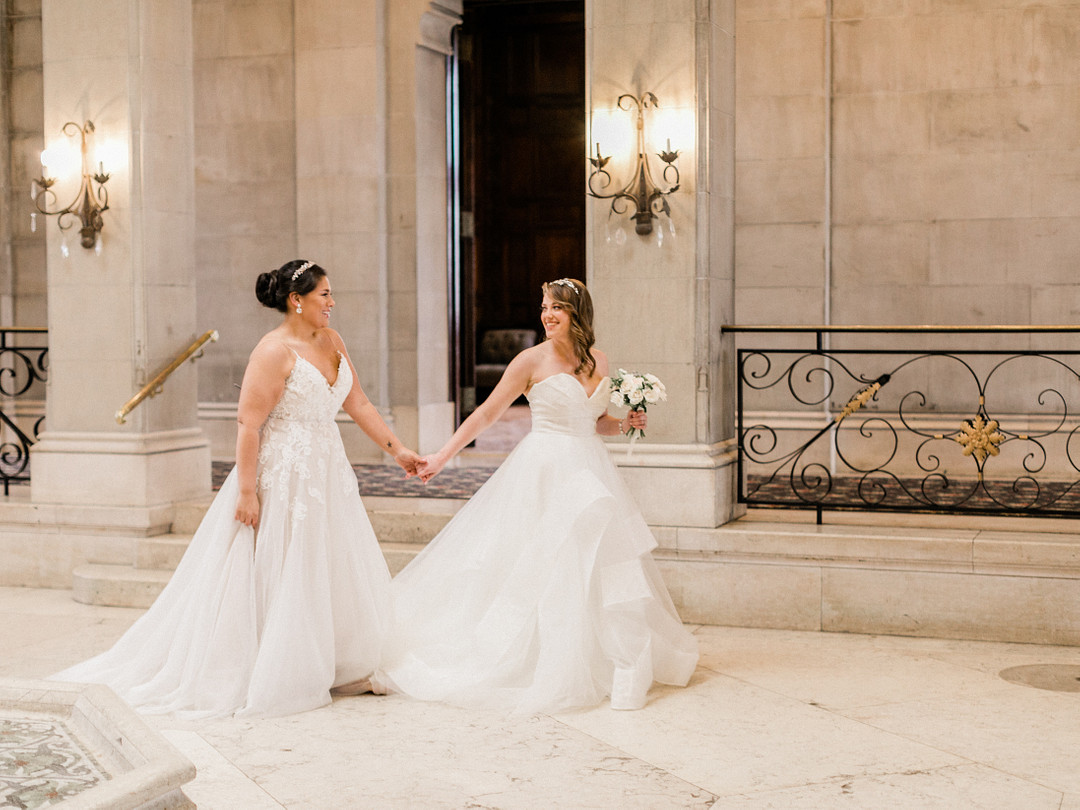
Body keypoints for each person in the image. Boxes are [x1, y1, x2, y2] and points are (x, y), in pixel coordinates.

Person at [53, 259, 419, 718]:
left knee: (327, 560)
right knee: (284, 564)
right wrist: (248, 491)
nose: (332, 302)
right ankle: (278, 665)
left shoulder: (333, 341)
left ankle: (338, 663)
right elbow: (248, 423)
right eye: (324, 294)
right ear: (296, 300)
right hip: (281, 474)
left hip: (327, 472)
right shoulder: (272, 351)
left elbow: (357, 401)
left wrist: (397, 449)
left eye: (330, 294)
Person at [367, 278, 698, 714]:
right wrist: (443, 456)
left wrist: (627, 423)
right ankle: (538, 658)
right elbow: (487, 413)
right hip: (544, 471)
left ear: (577, 313)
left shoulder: (597, 360)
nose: (547, 314)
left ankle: (621, 663)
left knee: (600, 562)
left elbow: (595, 420)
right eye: (544, 306)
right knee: (542, 563)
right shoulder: (529, 360)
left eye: (557, 307)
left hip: (591, 472)